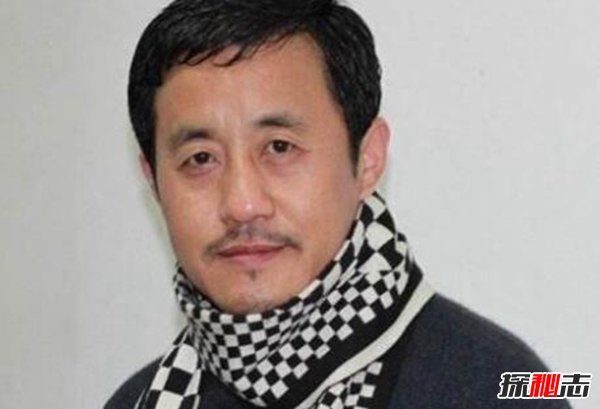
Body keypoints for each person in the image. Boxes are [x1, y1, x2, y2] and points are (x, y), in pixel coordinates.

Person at [106, 0, 572, 408]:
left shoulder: (507, 386)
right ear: (154, 181)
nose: (242, 204)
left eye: (280, 148)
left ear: (368, 159)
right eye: (200, 159)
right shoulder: (142, 400)